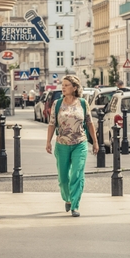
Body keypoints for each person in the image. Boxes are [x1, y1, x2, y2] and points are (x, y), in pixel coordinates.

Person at [46, 75, 99, 217]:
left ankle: (75, 205)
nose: (63, 87)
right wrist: (48, 142)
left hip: (80, 143)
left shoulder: (82, 103)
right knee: (63, 178)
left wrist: (95, 141)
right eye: (62, 85)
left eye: (67, 85)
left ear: (74, 88)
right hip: (62, 144)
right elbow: (52, 124)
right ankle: (67, 198)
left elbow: (89, 122)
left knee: (77, 174)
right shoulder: (57, 104)